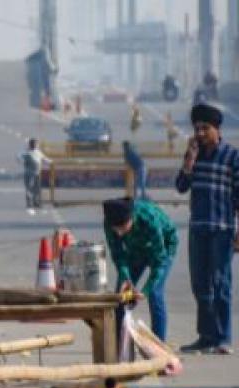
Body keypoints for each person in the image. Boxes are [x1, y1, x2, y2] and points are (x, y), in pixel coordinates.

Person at [175, 103, 239, 354]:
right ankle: (205, 336)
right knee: (200, 283)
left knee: (220, 282)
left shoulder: (233, 157)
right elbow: (181, 186)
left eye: (205, 128)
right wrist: (189, 159)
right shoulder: (194, 155)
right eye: (197, 128)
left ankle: (223, 338)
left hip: (222, 229)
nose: (200, 133)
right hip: (198, 229)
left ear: (217, 129)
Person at [102, 197, 178, 342]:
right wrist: (125, 277)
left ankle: (158, 343)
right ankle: (118, 343)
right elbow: (118, 254)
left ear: (132, 218)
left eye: (123, 228)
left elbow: (159, 262)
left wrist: (145, 291)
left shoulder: (149, 220)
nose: (119, 233)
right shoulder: (109, 223)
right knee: (123, 295)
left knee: (155, 294)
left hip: (163, 245)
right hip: (135, 249)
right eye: (115, 229)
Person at [19, 138, 49, 215]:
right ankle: (29, 206)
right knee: (29, 190)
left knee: (37, 190)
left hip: (37, 174)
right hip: (29, 174)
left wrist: (51, 162)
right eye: (35, 144)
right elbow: (18, 157)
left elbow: (44, 159)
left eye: (36, 144)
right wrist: (23, 160)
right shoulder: (27, 153)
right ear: (31, 145)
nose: (36, 145)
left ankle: (37, 204)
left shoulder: (38, 152)